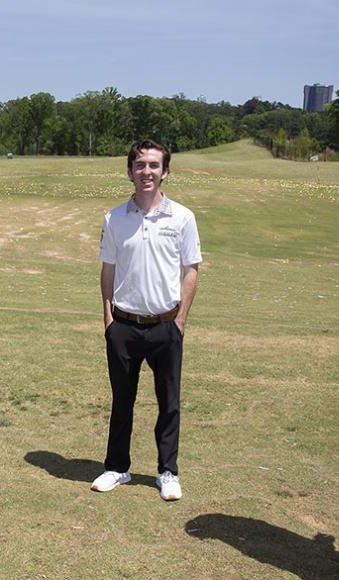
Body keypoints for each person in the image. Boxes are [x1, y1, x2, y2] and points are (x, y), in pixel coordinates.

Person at [92, 139, 201, 501]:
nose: (147, 172)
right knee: (122, 399)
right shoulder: (114, 218)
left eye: (154, 165)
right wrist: (108, 318)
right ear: (130, 172)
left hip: (166, 325)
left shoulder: (182, 217)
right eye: (140, 165)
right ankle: (116, 467)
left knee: (169, 401)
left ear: (165, 171)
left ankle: (167, 471)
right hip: (123, 324)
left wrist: (180, 320)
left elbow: (191, 270)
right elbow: (108, 269)